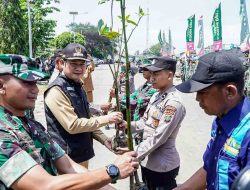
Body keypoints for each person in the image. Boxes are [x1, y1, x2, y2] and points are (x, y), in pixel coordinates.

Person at [0, 60, 139, 189]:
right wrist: (112, 171)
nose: (35, 89)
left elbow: (69, 167)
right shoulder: (3, 132)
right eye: (27, 82)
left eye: (35, 83)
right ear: (1, 86)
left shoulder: (32, 125)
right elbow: (44, 186)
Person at [174, 50, 250, 190]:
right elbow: (210, 167)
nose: (197, 98)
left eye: (203, 92)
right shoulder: (220, 120)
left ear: (230, 92)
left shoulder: (247, 134)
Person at [44, 43, 124, 168]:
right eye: (73, 64)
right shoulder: (56, 90)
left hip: (80, 154)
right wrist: (107, 119)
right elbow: (73, 125)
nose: (79, 68)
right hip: (65, 159)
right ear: (61, 63)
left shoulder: (78, 85)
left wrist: (104, 139)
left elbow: (87, 118)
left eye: (82, 64)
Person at [122, 56, 186, 190]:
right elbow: (145, 122)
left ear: (169, 75)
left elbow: (159, 137)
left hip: (162, 166)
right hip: (148, 161)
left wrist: (134, 153)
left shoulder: (173, 103)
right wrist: (127, 125)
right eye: (151, 74)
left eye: (156, 74)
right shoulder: (156, 95)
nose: (151, 78)